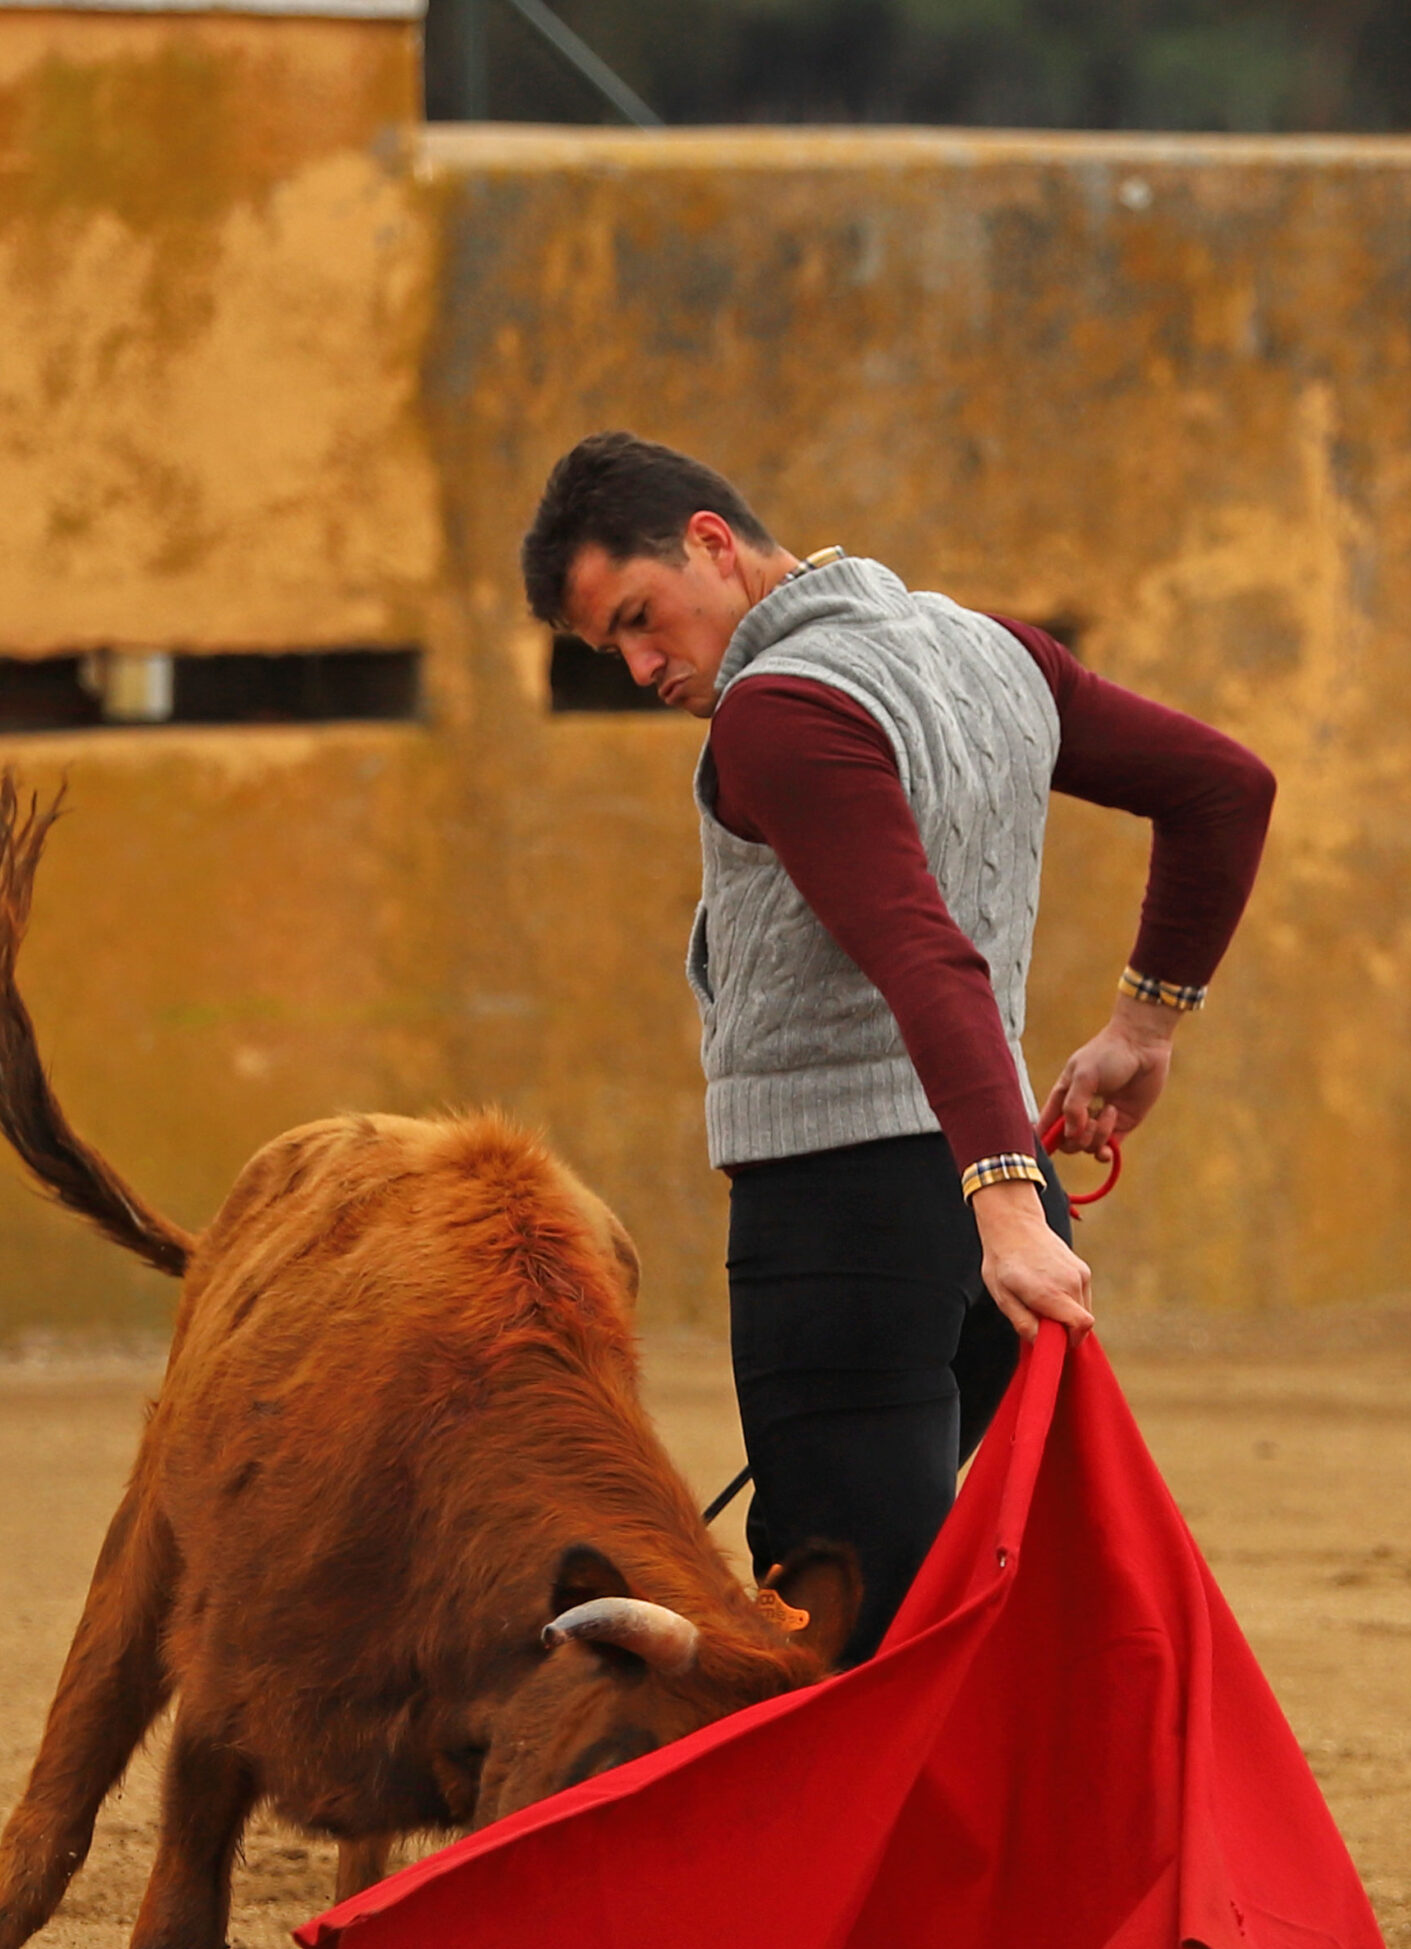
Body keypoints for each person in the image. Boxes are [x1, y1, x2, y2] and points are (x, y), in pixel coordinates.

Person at [522, 432, 1273, 1674]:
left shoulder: (779, 713)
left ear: (712, 540)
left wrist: (1009, 1205)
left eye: (643, 619)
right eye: (617, 649)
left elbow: (927, 957)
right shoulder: (991, 648)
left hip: (851, 1236)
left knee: (836, 1642)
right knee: (908, 1608)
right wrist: (1144, 1026)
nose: (646, 665)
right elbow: (1223, 788)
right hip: (972, 1222)